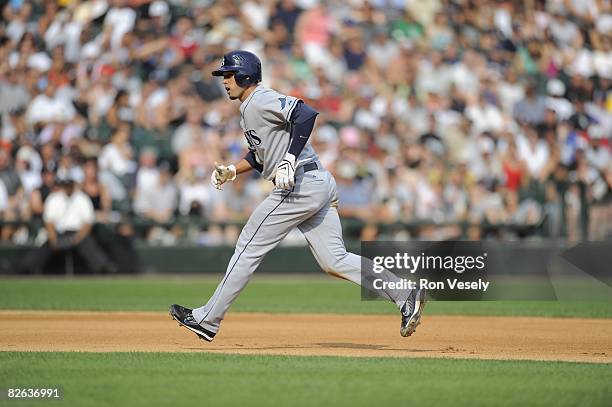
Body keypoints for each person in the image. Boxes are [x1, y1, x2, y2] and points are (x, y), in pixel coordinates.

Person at [169, 50, 425, 342]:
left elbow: (306, 114)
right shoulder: (248, 107)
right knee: (334, 260)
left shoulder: (260, 98)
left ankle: (206, 320)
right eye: (224, 75)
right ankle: (405, 294)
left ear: (245, 76)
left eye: (229, 75)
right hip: (315, 182)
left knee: (247, 247)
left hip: (300, 184)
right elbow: (261, 155)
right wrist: (233, 169)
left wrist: (290, 158)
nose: (224, 81)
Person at [20, 174, 117, 274]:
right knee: (45, 246)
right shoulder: (54, 198)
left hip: (77, 234)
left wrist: (78, 237)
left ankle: (103, 269)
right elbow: (49, 221)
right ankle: (27, 268)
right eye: (65, 185)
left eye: (70, 185)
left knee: (89, 244)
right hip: (59, 233)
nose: (68, 188)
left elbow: (88, 222)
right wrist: (53, 238)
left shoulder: (82, 198)